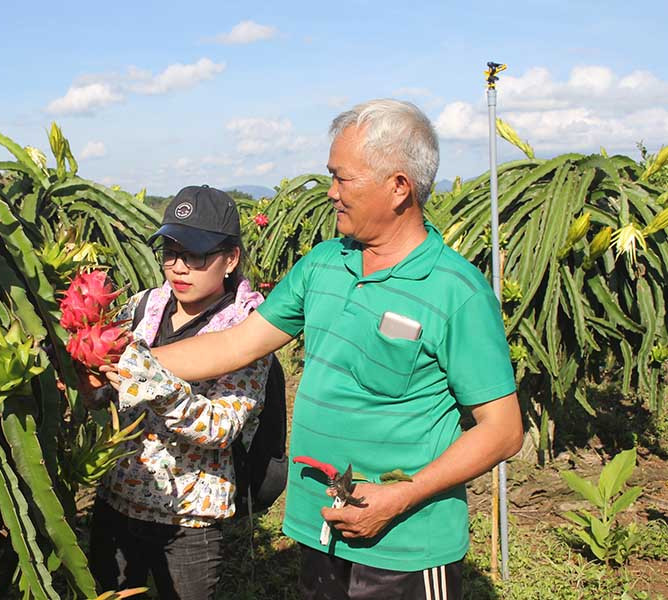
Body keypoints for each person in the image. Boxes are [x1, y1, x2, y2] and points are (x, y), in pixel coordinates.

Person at [104, 99, 523, 599]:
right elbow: (236, 344)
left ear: (398, 187)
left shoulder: (457, 291)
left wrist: (401, 496)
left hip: (407, 541)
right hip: (319, 526)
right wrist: (119, 359)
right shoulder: (324, 264)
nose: (330, 193)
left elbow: (503, 431)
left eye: (342, 178)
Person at [85, 184, 272, 600]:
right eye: (170, 252)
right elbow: (105, 389)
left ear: (231, 258)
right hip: (117, 499)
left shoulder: (249, 329)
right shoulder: (141, 306)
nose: (179, 267)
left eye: (196, 254)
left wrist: (150, 381)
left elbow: (220, 425)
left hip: (190, 520)